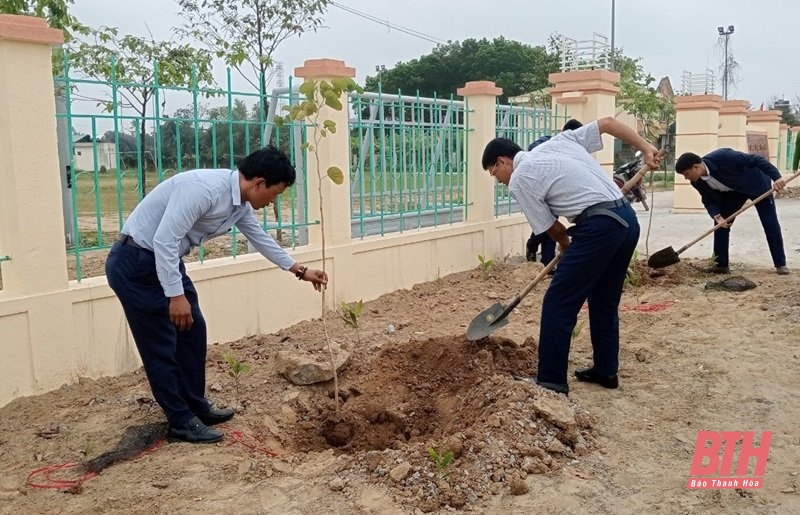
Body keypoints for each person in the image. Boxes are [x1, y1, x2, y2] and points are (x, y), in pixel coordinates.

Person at [105, 146, 328, 443]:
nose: (273, 201)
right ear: (258, 182)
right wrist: (175, 295)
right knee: (161, 343)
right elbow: (164, 240)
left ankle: (195, 405)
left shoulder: (240, 205)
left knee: (193, 329)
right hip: (136, 263)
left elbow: (260, 239)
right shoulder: (203, 190)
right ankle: (180, 420)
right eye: (274, 194)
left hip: (163, 261)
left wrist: (300, 271)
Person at [482, 118, 662, 395]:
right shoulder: (559, 142)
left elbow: (550, 227)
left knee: (558, 302)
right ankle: (606, 370)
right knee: (603, 300)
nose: (498, 180)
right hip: (626, 219)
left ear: (503, 161)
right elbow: (608, 123)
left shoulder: (520, 178)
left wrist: (566, 243)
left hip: (600, 227)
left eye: (495, 174)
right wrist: (646, 147)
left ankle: (551, 381)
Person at [675, 150, 789, 275]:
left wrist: (777, 177)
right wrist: (717, 216)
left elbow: (757, 159)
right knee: (720, 225)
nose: (686, 178)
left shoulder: (723, 157)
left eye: (686, 174)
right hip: (734, 192)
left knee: (770, 223)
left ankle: (780, 264)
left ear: (695, 167)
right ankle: (721, 265)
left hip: (756, 185)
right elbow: (708, 200)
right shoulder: (697, 181)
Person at [524, 119, 583, 266]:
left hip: (556, 193)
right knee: (546, 225)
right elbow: (532, 149)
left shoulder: (572, 150)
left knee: (552, 227)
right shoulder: (547, 142)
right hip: (540, 191)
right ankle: (532, 245)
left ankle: (547, 263)